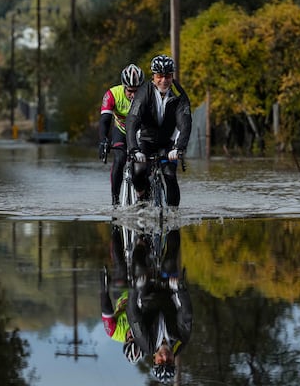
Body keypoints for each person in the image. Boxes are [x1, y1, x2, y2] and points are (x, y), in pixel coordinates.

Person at [126, 229, 192, 383]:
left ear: (154, 360)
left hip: (147, 295)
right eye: (169, 361)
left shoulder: (146, 344)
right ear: (173, 360)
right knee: (169, 262)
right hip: (168, 292)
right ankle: (173, 219)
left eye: (161, 361)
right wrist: (180, 290)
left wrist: (135, 289)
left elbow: (133, 315)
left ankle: (141, 239)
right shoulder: (181, 340)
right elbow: (186, 314)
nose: (165, 357)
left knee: (139, 268)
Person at [126, 55, 192, 206]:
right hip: (145, 140)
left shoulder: (179, 94)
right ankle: (142, 197)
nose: (164, 80)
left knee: (169, 174)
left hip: (168, 142)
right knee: (139, 170)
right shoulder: (144, 92)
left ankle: (173, 219)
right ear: (153, 76)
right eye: (159, 76)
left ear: (172, 76)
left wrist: (179, 147)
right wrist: (134, 149)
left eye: (168, 76)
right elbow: (132, 121)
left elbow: (185, 124)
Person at [99, 64, 145, 206]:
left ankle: (145, 194)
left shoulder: (148, 94)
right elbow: (105, 120)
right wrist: (103, 140)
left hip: (140, 131)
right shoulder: (112, 94)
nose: (133, 95)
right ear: (124, 86)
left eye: (137, 91)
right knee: (119, 159)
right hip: (122, 131)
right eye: (130, 91)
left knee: (144, 163)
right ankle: (115, 200)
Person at [100, 225, 144, 364]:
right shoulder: (145, 333)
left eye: (129, 338)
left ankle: (115, 229)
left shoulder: (113, 333)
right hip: (139, 294)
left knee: (120, 265)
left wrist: (104, 288)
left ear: (124, 341)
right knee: (142, 265)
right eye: (135, 338)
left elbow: (106, 310)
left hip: (123, 293)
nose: (131, 335)